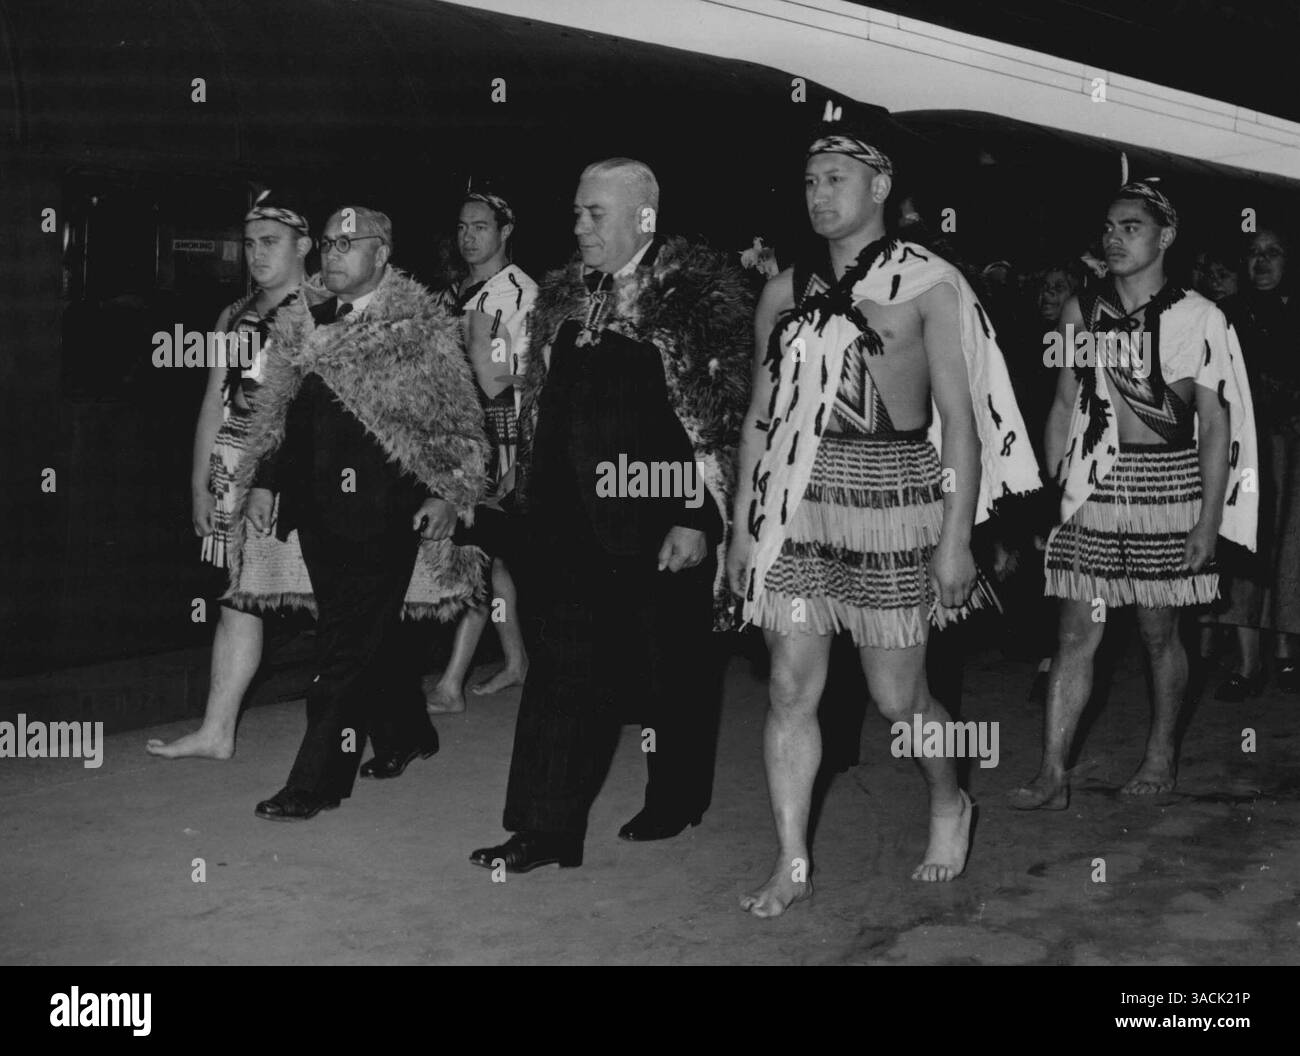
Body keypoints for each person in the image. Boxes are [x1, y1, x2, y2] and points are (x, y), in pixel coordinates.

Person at [728, 116, 1041, 916]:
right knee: (791, 688)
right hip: (799, 502)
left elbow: (961, 425)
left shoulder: (929, 285)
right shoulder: (784, 290)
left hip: (896, 499)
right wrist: (741, 528)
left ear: (880, 188)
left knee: (897, 700)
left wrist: (955, 540)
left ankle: (949, 800)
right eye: (809, 181)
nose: (819, 195)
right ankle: (792, 860)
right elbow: (760, 421)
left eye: (835, 179)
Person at [469, 158, 751, 872]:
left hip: (657, 528)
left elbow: (717, 418)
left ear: (643, 218)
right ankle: (544, 829)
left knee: (669, 676)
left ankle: (676, 796)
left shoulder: (694, 298)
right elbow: (540, 406)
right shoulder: (565, 293)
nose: (579, 226)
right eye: (576, 212)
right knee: (560, 678)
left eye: (595, 213)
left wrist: (695, 516)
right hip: (567, 528)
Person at [230, 205, 490, 820]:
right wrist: (265, 483)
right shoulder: (302, 320)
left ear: (382, 255)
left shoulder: (421, 327)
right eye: (326, 242)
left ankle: (314, 781)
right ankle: (406, 734)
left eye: (349, 244)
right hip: (316, 511)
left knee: (343, 649)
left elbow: (461, 424)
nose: (333, 253)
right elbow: (279, 413)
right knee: (366, 635)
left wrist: (448, 494)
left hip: (386, 514)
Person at [1010, 179, 1258, 810]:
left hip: (1168, 488)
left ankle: (1160, 753)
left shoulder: (1201, 317)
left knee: (1157, 634)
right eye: (1109, 228)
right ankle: (1053, 771)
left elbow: (1216, 426)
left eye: (1132, 227)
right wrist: (1050, 497)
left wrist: (1207, 522)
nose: (1115, 239)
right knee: (1074, 635)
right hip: (1093, 489)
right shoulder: (1081, 314)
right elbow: (1066, 403)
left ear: (1165, 235)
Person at [147, 192, 317, 760]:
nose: (256, 255)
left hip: (291, 472)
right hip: (231, 465)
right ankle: (218, 731)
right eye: (249, 244)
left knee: (335, 603)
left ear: (304, 247)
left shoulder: (321, 312)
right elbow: (214, 401)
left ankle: (377, 728)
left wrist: (278, 479)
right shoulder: (234, 315)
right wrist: (200, 481)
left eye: (270, 243)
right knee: (235, 598)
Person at [425, 192, 537, 713]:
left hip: (498, 436)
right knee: (497, 565)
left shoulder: (518, 294)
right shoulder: (454, 291)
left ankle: (450, 683)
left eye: (481, 226)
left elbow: (510, 381)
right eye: (462, 226)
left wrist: (507, 458)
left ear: (505, 230)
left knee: (477, 550)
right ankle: (516, 661)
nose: (469, 236)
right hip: (454, 434)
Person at [1212, 227, 1300, 696]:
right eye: (1253, 254)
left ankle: (1286, 651)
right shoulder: (1226, 314)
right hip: (1242, 447)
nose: (1262, 262)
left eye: (1274, 252)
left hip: (1291, 445)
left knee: (1289, 546)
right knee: (1244, 545)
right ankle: (1247, 664)